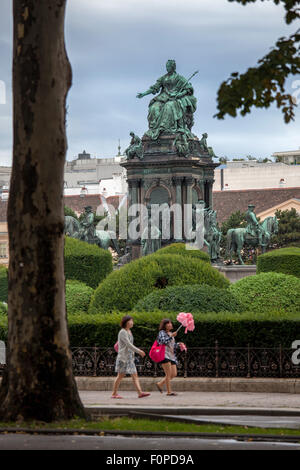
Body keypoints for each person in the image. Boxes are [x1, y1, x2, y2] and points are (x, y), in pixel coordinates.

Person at [112, 315, 150, 399]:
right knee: (120, 376)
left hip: (130, 358)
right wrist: (139, 351)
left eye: (132, 321)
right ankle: (114, 394)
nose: (132, 322)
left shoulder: (129, 331)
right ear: (126, 322)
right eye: (130, 321)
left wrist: (134, 353)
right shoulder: (122, 332)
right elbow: (128, 345)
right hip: (123, 358)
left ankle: (140, 393)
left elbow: (130, 345)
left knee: (135, 375)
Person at [155, 318, 185, 396]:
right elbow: (163, 341)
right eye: (168, 323)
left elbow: (171, 345)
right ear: (164, 325)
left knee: (174, 374)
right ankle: (169, 392)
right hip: (164, 355)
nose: (170, 324)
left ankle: (160, 383)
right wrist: (171, 336)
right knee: (168, 374)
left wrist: (179, 344)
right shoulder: (162, 332)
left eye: (170, 323)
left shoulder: (170, 333)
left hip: (171, 356)